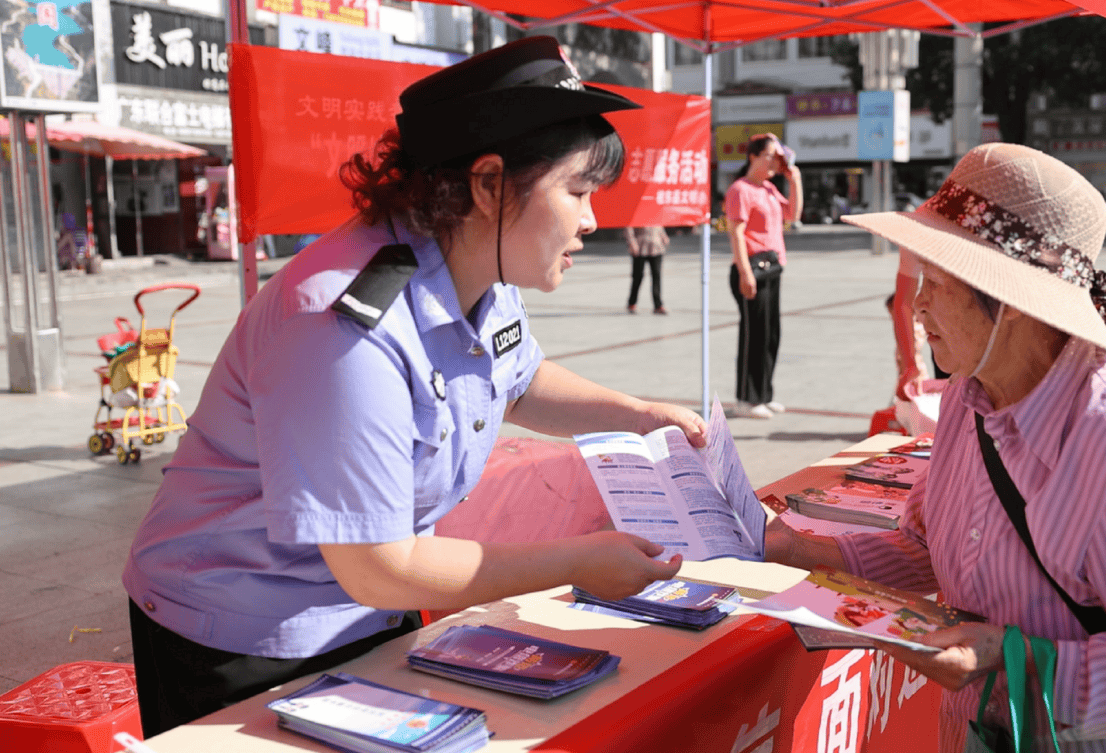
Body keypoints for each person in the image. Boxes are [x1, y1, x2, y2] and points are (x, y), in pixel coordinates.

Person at [121, 37, 704, 736]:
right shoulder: (342, 325)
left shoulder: (479, 274)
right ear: (489, 184)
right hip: (240, 627)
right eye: (577, 191)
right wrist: (576, 561)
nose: (591, 220)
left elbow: (516, 381)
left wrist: (636, 415)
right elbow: (379, 562)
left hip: (366, 603)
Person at [769, 143, 1106, 752]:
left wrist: (1015, 661)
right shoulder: (969, 395)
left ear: (1014, 303)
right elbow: (924, 542)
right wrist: (802, 551)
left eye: (937, 283)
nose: (917, 306)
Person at [724, 133, 803, 419]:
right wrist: (745, 273)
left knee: (770, 335)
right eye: (769, 155)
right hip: (752, 268)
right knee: (752, 335)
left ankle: (764, 395)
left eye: (776, 156)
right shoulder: (740, 190)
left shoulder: (769, 189)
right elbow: (736, 232)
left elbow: (792, 215)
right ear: (753, 156)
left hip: (773, 266)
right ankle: (746, 398)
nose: (773, 161)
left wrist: (794, 179)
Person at [623, 225, 668, 314]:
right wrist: (632, 242)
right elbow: (628, 228)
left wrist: (664, 237)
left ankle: (658, 305)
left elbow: (659, 226)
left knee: (656, 275)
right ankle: (632, 303)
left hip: (656, 247)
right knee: (638, 277)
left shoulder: (655, 212)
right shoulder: (635, 213)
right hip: (640, 248)